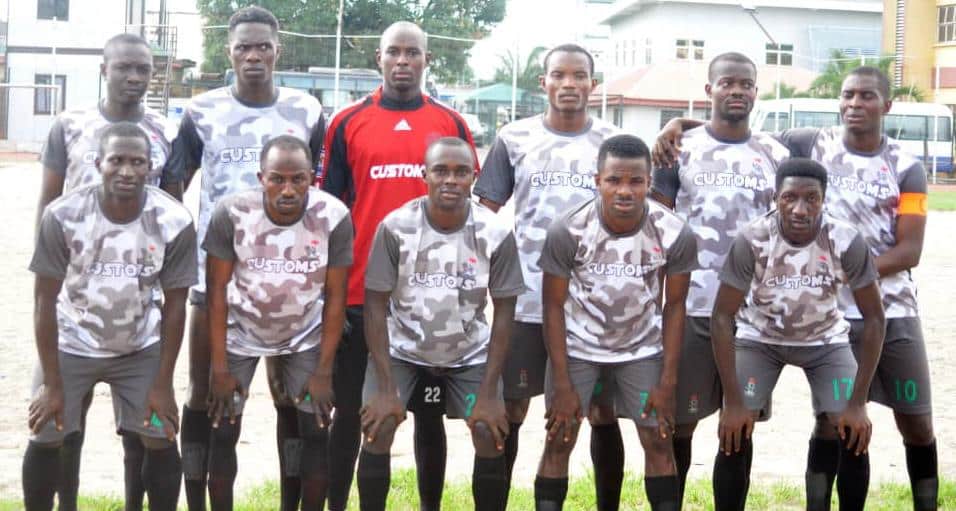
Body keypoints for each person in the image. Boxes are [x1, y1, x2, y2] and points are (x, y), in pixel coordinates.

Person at [654, 66, 935, 511]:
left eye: (867, 96)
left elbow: (911, 250)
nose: (855, 105)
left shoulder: (906, 165)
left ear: (888, 105)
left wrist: (838, 270)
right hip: (791, 312)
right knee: (807, 423)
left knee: (901, 423)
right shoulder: (811, 142)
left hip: (882, 305)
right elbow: (732, 122)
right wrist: (678, 125)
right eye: (848, 96)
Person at [161, 7, 326, 510]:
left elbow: (321, 189)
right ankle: (198, 499)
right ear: (228, 53)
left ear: (278, 50)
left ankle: (291, 499)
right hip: (218, 280)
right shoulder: (201, 111)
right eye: (242, 48)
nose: (253, 56)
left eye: (262, 47)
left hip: (289, 278)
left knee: (289, 400)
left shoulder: (306, 110)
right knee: (206, 396)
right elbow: (172, 188)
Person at [319, 21, 478, 511]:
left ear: (428, 60)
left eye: (413, 53)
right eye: (394, 53)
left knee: (428, 418)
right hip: (361, 296)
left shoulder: (450, 123)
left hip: (432, 298)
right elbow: (331, 213)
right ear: (378, 58)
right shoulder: (347, 122)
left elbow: (470, 207)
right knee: (354, 413)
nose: (403, 61)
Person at [472, 43, 625, 508]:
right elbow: (485, 216)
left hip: (597, 307)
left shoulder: (613, 144)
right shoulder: (514, 138)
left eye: (580, 76)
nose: (570, 84)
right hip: (529, 302)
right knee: (512, 409)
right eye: (559, 75)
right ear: (544, 83)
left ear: (593, 85)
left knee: (600, 412)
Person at [35, 34, 178, 509]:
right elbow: (49, 200)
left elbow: (170, 208)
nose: (135, 77)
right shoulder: (70, 124)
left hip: (135, 300)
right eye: (125, 68)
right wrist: (47, 271)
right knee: (62, 420)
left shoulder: (164, 129)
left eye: (144, 69)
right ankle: (67, 502)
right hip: (75, 292)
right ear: (104, 69)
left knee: (142, 429)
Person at [23, 122, 196, 511]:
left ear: (151, 167)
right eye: (116, 160)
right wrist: (51, 383)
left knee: (161, 432)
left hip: (140, 347)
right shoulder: (63, 215)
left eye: (138, 162)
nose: (127, 171)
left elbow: (175, 306)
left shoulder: (174, 220)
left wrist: (163, 383)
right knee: (46, 432)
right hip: (71, 342)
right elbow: (43, 301)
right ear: (98, 163)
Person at [648, 52, 790, 503]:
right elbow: (657, 225)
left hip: (752, 317)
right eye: (726, 83)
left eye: (746, 84)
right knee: (680, 423)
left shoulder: (777, 154)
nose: (737, 91)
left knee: (739, 424)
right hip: (691, 308)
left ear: (756, 91)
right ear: (709, 90)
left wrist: (677, 121)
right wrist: (675, 127)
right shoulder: (677, 152)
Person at [356, 137, 523, 511]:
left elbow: (505, 311)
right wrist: (385, 387)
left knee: (488, 431)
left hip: (469, 354)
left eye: (461, 172)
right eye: (441, 171)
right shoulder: (396, 227)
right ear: (424, 175)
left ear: (473, 177)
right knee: (378, 425)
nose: (451, 180)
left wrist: (490, 389)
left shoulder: (495, 231)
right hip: (403, 351)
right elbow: (374, 305)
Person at [709, 158, 885, 511]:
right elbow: (722, 316)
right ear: (775, 197)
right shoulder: (753, 238)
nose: (800, 209)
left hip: (825, 341)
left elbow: (876, 318)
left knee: (851, 430)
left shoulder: (845, 239)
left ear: (824, 200)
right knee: (735, 430)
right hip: (760, 339)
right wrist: (734, 401)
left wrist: (857, 403)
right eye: (789, 197)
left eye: (812, 199)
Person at [533, 134, 695, 510]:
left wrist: (668, 381)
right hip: (578, 348)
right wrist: (561, 382)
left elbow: (675, 306)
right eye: (614, 180)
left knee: (657, 439)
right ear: (597, 181)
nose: (625, 190)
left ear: (649, 183)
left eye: (636, 181)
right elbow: (553, 305)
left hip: (642, 348)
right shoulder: (568, 229)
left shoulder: (673, 231)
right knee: (561, 436)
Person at [202, 135, 352, 510]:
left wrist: (323, 372)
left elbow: (336, 298)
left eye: (298, 179)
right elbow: (216, 291)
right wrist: (219, 368)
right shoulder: (231, 213)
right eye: (277, 179)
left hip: (304, 335)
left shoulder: (333, 217)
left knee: (315, 431)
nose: (288, 189)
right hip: (241, 333)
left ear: (312, 178)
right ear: (261, 178)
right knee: (223, 431)